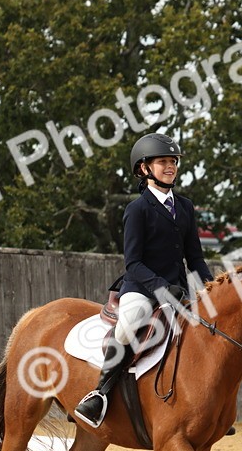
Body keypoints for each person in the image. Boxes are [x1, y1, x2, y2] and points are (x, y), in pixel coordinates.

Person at [74, 133, 214, 429]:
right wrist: (161, 288)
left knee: (207, 329)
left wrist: (211, 288)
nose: (170, 166)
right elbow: (133, 263)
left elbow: (195, 258)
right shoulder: (137, 210)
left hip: (179, 290)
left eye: (173, 161)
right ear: (144, 168)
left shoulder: (185, 207)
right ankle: (100, 393)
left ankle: (208, 405)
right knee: (128, 327)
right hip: (142, 289)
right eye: (163, 161)